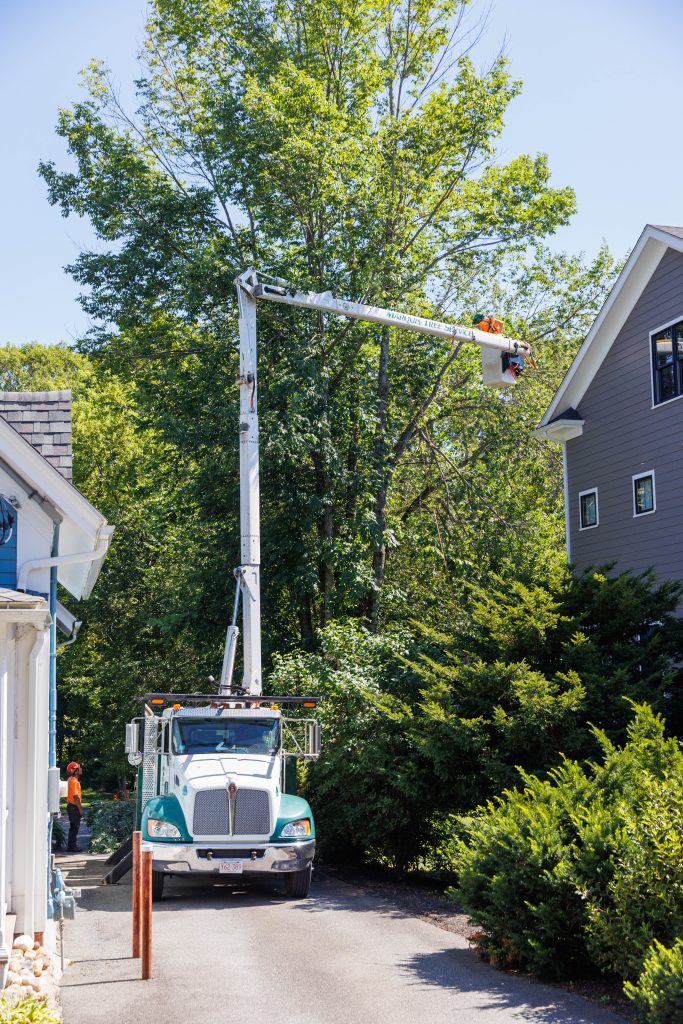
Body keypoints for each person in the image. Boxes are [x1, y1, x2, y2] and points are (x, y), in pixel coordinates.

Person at [66, 762, 84, 852]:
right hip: (74, 807)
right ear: (75, 770)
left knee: (73, 827)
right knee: (74, 827)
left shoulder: (71, 779)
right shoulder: (73, 781)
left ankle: (71, 846)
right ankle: (72, 847)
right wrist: (80, 809)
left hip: (71, 806)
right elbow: (76, 796)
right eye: (79, 768)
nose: (81, 769)